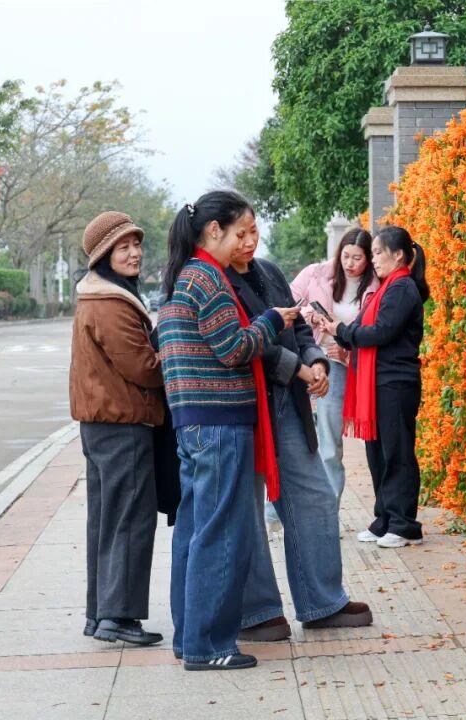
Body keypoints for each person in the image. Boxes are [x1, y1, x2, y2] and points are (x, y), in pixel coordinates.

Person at [156, 190, 297, 671]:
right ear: (212, 231)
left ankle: (189, 638)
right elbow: (234, 348)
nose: (246, 241)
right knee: (220, 534)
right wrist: (272, 321)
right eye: (240, 232)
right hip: (218, 424)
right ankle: (210, 645)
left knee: (195, 532)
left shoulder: (180, 276)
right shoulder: (207, 278)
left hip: (194, 423)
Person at [226, 222, 373, 638]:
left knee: (315, 495)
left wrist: (318, 361)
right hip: (248, 403)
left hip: (290, 401)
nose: (249, 241)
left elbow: (300, 327)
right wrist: (300, 369)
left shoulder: (269, 272)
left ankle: (322, 600)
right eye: (240, 233)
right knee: (249, 507)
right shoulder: (217, 280)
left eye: (253, 230)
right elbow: (244, 343)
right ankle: (258, 611)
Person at [69, 211, 164, 645]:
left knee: (106, 521)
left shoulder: (100, 296)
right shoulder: (110, 303)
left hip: (103, 425)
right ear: (104, 255)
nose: (134, 253)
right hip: (122, 424)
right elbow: (143, 368)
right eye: (123, 247)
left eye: (136, 245)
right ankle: (118, 617)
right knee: (129, 519)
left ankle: (99, 614)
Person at [315, 225, 428, 549]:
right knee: (378, 453)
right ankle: (385, 520)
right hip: (378, 383)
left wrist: (342, 330)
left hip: (396, 383)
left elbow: (379, 332)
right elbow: (361, 328)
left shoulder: (402, 288)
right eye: (374, 253)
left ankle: (405, 525)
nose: (374, 259)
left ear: (399, 255)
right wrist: (336, 329)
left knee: (398, 454)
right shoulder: (386, 288)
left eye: (378, 253)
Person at [291, 228, 379, 500]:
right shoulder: (316, 274)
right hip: (306, 357)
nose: (349, 264)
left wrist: (347, 353)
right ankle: (278, 510)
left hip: (340, 365)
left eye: (357, 258)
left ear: (368, 260)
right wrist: (310, 315)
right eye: (345, 256)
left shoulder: (375, 286)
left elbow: (375, 332)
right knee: (294, 435)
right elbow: (286, 305)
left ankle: (329, 508)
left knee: (330, 442)